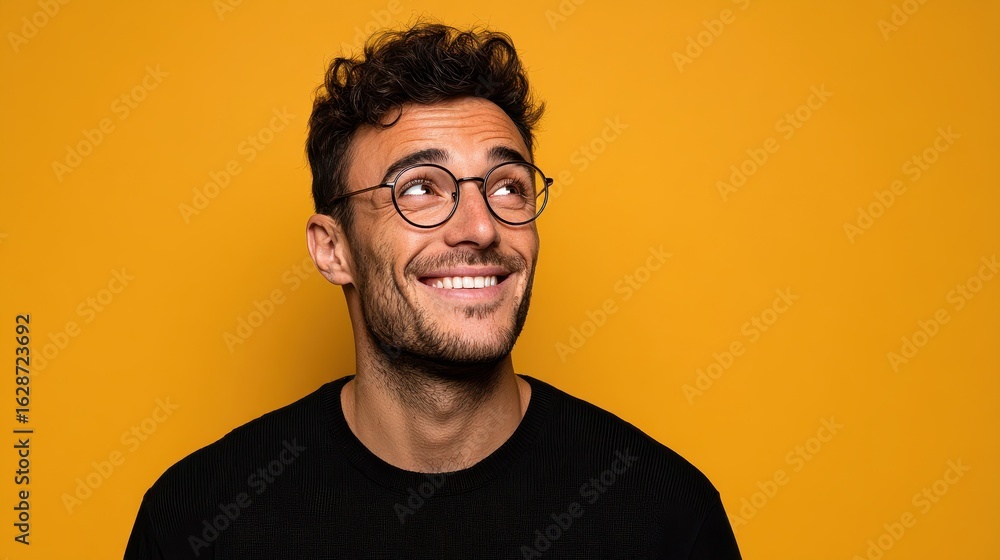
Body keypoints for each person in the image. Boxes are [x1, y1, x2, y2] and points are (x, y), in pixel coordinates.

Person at [124, 23, 742, 559]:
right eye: (420, 188)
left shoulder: (666, 515)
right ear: (332, 249)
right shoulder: (196, 520)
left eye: (506, 186)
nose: (481, 227)